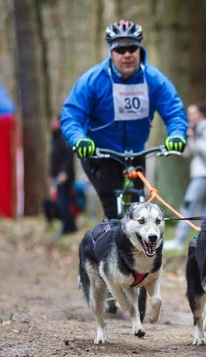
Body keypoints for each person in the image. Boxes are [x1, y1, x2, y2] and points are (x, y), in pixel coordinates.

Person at [61, 20, 188, 221]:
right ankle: (106, 246)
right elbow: (72, 116)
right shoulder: (92, 80)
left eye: (132, 48)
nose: (127, 54)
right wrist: (80, 140)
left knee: (139, 214)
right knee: (114, 213)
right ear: (111, 52)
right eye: (120, 49)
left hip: (137, 152)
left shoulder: (154, 80)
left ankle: (137, 251)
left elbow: (174, 111)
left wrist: (177, 135)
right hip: (101, 153)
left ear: (139, 49)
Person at [165, 103, 206, 251]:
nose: (189, 117)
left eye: (192, 114)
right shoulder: (195, 130)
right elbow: (187, 154)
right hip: (199, 174)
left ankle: (179, 240)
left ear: (201, 114)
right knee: (204, 211)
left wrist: (196, 140)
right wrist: (188, 139)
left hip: (204, 175)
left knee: (188, 205)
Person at [46, 115, 77, 237]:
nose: (52, 124)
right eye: (51, 122)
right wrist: (52, 176)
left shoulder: (64, 137)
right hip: (57, 176)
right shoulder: (54, 138)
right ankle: (70, 226)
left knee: (63, 203)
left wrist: (64, 173)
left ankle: (68, 227)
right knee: (61, 202)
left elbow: (68, 157)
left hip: (64, 177)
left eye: (54, 122)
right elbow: (54, 159)